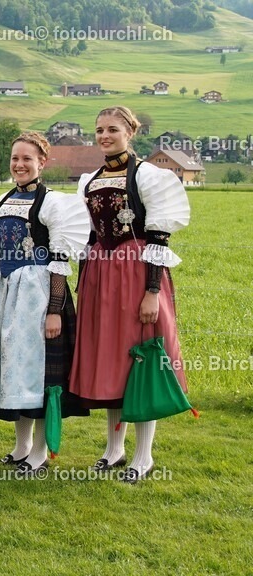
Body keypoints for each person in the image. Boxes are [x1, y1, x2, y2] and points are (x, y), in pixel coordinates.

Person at [70, 106, 190, 483]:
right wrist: (84, 277)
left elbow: (158, 237)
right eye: (99, 130)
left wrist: (152, 291)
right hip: (100, 276)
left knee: (140, 361)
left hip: (136, 274)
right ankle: (114, 448)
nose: (105, 136)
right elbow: (88, 234)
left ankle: (144, 454)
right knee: (110, 361)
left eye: (113, 130)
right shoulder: (89, 179)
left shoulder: (148, 176)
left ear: (130, 132)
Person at [0, 132, 90, 473]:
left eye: (27, 159)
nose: (19, 165)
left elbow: (59, 262)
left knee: (37, 371)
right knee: (13, 366)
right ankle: (21, 446)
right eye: (15, 158)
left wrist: (54, 311)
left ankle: (39, 451)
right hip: (4, 290)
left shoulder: (53, 203)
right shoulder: (2, 199)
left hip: (37, 293)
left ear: (43, 161)